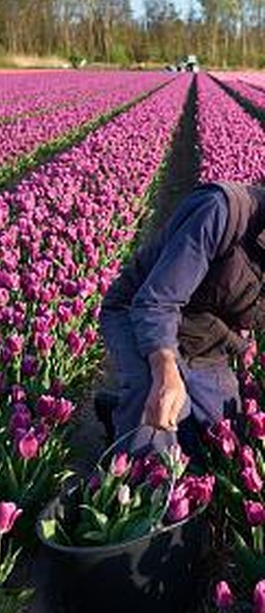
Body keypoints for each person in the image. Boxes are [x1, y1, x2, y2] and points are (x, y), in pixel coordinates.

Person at [99, 181, 265, 455]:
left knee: (222, 444)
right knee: (156, 422)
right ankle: (131, 437)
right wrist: (164, 368)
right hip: (140, 315)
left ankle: (116, 408)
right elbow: (156, 302)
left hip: (207, 337)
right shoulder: (222, 211)